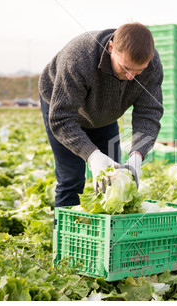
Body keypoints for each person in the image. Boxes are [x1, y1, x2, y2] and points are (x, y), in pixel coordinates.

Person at [39, 22, 163, 209]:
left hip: (105, 115)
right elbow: (61, 119)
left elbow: (149, 113)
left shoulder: (152, 66)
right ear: (111, 47)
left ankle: (108, 235)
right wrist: (92, 156)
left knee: (113, 179)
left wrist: (137, 154)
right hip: (63, 111)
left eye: (139, 71)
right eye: (126, 68)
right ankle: (65, 235)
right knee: (71, 179)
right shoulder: (79, 58)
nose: (131, 77)